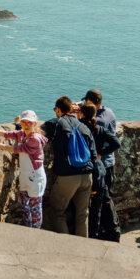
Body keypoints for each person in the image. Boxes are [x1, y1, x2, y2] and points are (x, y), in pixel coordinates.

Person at [0, 110, 48, 228]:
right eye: (23, 122)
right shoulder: (24, 134)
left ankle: (35, 231)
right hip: (26, 175)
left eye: (28, 122)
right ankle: (28, 228)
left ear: (35, 123)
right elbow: (9, 134)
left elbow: (15, 149)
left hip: (35, 178)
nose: (25, 124)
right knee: (24, 205)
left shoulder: (34, 138)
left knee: (35, 207)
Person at [40, 96, 97, 237]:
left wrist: (18, 125)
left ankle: (67, 247)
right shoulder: (84, 126)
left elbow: (35, 132)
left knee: (56, 211)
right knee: (83, 214)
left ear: (58, 109)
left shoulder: (56, 123)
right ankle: (83, 247)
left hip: (68, 177)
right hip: (87, 176)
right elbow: (94, 155)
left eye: (55, 109)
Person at [79, 89, 121, 242]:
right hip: (106, 164)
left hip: (102, 164)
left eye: (87, 102)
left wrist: (100, 152)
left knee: (104, 200)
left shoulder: (99, 120)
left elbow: (92, 124)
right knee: (104, 200)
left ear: (93, 103)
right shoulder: (109, 112)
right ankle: (108, 231)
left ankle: (112, 232)